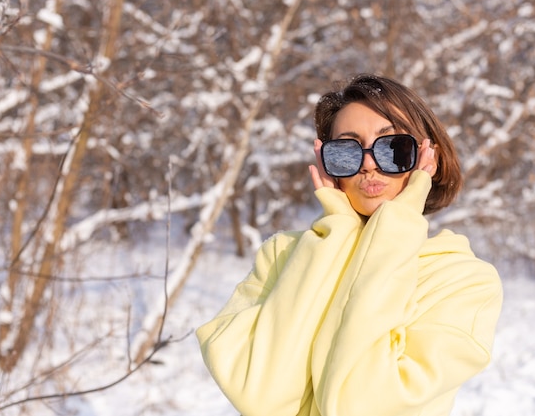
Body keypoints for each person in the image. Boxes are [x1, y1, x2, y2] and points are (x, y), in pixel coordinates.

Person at [196, 74, 503, 416]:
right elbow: (260, 397)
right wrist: (338, 231)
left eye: (393, 148)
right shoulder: (281, 255)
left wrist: (397, 224)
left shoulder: (464, 281)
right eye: (347, 151)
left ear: (427, 158)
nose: (369, 164)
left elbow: (360, 405)